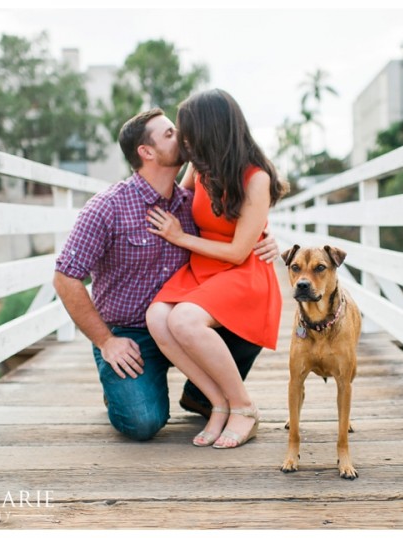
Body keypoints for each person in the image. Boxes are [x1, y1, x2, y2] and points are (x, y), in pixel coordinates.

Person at [53, 107, 278, 442]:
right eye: (170, 134)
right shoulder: (107, 207)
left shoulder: (189, 203)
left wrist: (264, 238)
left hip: (182, 320)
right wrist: (106, 341)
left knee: (243, 316)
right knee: (143, 423)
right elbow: (65, 277)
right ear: (147, 152)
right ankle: (120, 387)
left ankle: (205, 398)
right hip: (130, 334)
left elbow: (233, 222)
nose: (182, 136)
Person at [145, 89, 285, 449]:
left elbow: (239, 252)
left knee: (184, 320)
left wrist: (180, 238)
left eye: (189, 132)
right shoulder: (201, 168)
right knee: (158, 316)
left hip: (241, 270)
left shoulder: (256, 178)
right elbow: (175, 201)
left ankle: (244, 406)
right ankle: (218, 403)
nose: (185, 141)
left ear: (211, 131)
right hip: (204, 265)